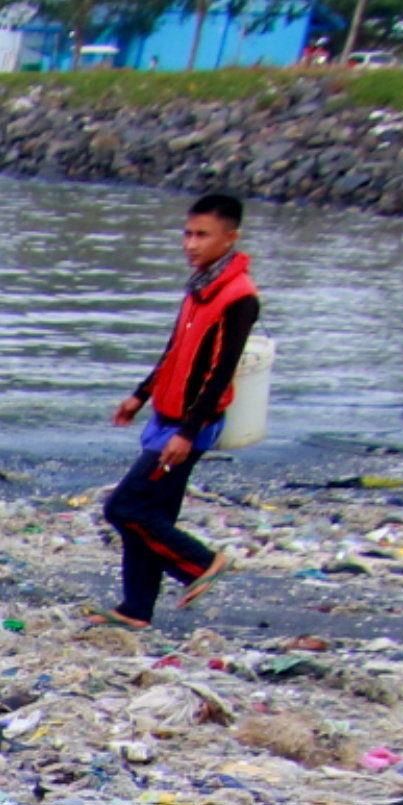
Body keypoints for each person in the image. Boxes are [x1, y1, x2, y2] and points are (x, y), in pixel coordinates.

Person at [101, 192, 263, 622]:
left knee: (124, 507)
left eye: (202, 236)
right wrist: (141, 394)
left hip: (190, 424)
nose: (191, 244)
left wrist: (187, 433)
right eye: (188, 234)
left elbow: (219, 372)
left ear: (230, 238)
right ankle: (136, 608)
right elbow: (176, 350)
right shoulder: (200, 286)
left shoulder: (238, 296)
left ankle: (202, 563)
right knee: (150, 516)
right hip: (165, 416)